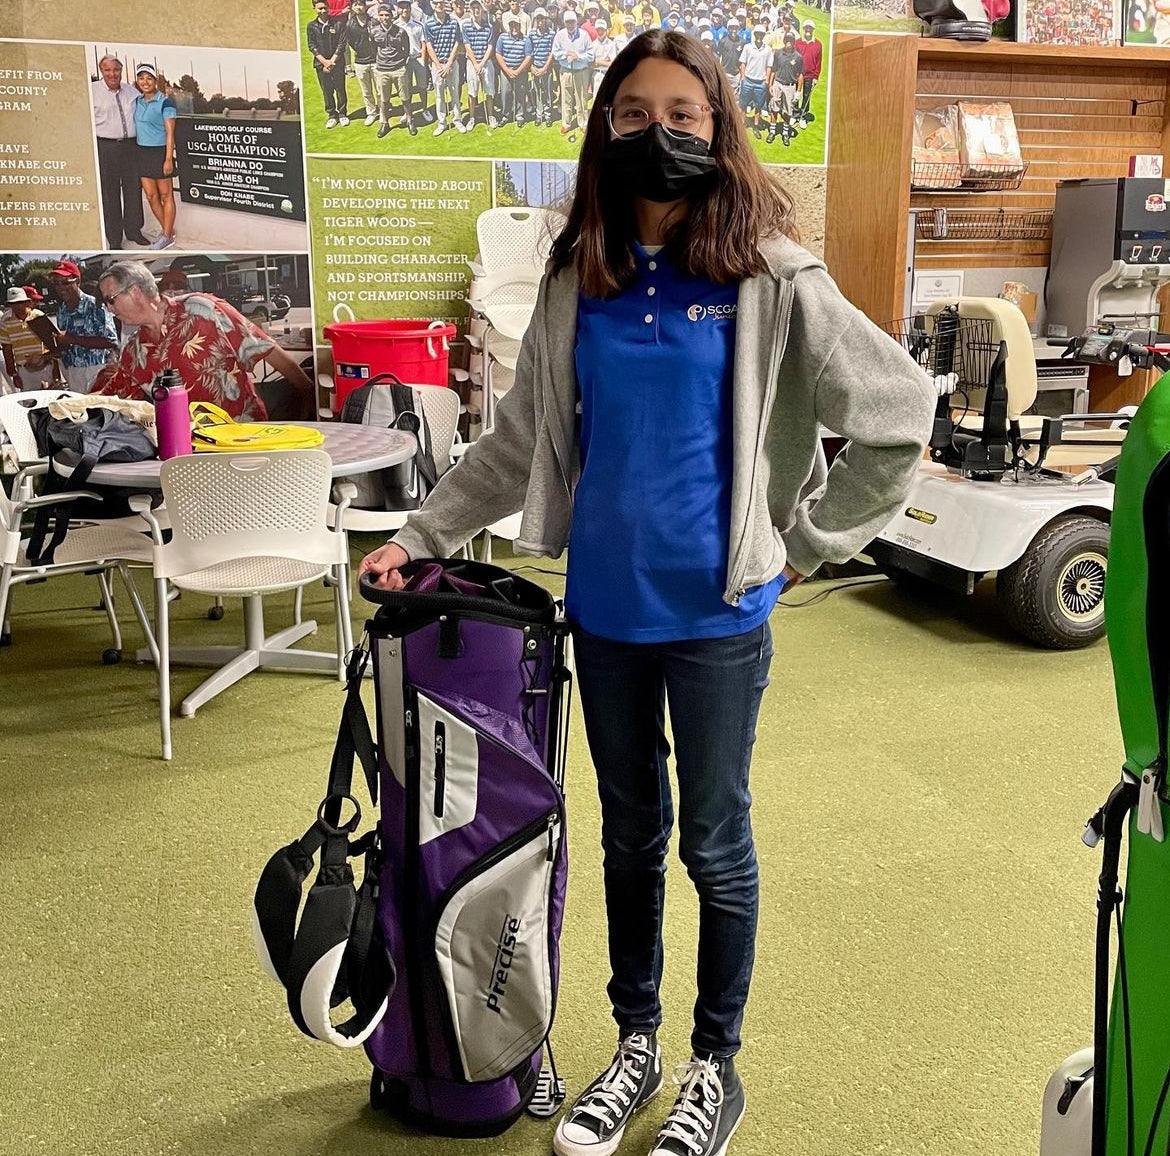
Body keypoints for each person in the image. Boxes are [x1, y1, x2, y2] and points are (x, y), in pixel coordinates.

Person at [358, 29, 934, 1156]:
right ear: (604, 127)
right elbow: (515, 439)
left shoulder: (771, 276)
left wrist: (810, 541)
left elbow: (898, 412)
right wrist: (420, 532)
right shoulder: (584, 275)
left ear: (719, 129)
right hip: (604, 613)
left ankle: (715, 1067)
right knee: (626, 838)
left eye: (684, 113)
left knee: (713, 844)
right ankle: (635, 1045)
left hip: (721, 618)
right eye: (634, 113)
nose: (658, 132)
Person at [92, 261, 316, 421]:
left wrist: (309, 396)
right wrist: (62, 402)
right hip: (187, 455)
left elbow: (266, 349)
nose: (109, 309)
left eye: (111, 300)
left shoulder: (202, 309)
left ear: (135, 292)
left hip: (243, 440)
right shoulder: (133, 350)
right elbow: (108, 397)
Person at [91, 56, 149, 250]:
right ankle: (114, 239)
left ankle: (134, 231)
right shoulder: (92, 92)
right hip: (106, 147)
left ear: (121, 71)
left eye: (116, 70)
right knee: (110, 193)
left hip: (131, 147)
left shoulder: (132, 92)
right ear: (101, 71)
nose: (112, 74)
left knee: (133, 190)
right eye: (107, 70)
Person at [50, 261, 118, 391]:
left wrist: (72, 339)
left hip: (97, 368)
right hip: (72, 370)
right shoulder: (61, 311)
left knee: (98, 410)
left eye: (65, 282)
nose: (60, 287)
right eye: (56, 284)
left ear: (78, 282)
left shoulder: (95, 306)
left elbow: (111, 341)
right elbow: (66, 344)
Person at [131, 64, 178, 251]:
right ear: (137, 81)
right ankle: (168, 232)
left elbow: (170, 133)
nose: (145, 82)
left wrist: (168, 158)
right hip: (142, 153)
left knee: (166, 196)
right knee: (151, 196)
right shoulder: (137, 101)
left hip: (160, 152)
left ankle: (166, 236)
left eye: (149, 78)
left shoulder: (165, 102)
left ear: (155, 81)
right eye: (141, 78)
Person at [370, 2, 415, 135]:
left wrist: (400, 61)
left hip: (398, 68)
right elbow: (374, 48)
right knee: (384, 99)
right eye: (382, 15)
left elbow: (405, 49)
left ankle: (410, 120)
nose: (384, 18)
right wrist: (381, 61)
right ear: (378, 16)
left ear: (392, 15)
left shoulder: (400, 31)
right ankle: (384, 123)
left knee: (405, 97)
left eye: (387, 15)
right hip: (382, 69)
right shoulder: (373, 31)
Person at [425, 0, 469, 135]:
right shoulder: (428, 23)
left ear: (445, 4)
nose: (439, 5)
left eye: (441, 2)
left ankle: (457, 120)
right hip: (437, 65)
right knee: (439, 95)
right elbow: (429, 46)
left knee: (454, 93)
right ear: (432, 4)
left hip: (452, 63)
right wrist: (439, 65)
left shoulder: (453, 22)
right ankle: (442, 123)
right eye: (436, 2)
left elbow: (457, 42)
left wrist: (449, 63)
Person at [1, 287, 56, 390]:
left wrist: (55, 371)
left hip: (45, 367)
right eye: (13, 303)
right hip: (24, 370)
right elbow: (7, 348)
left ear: (27, 302)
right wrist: (13, 373)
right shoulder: (5, 321)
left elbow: (52, 344)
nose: (17, 306)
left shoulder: (38, 316)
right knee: (29, 403)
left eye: (20, 302)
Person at [308, 0, 351, 129]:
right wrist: (325, 62)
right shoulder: (311, 26)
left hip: (337, 62)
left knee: (340, 89)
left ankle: (343, 114)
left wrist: (332, 60)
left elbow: (342, 44)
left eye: (325, 8)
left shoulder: (338, 24)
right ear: (314, 8)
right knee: (327, 91)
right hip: (321, 64)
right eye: (320, 8)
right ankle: (332, 115)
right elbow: (312, 45)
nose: (323, 11)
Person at [554, 9, 594, 133]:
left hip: (581, 70)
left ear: (576, 22)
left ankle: (583, 122)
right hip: (565, 70)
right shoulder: (560, 35)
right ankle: (566, 123)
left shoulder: (584, 35)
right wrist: (566, 54)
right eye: (567, 22)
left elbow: (591, 55)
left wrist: (578, 56)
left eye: (572, 22)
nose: (570, 24)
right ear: (564, 23)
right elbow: (555, 53)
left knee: (582, 98)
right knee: (566, 98)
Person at [464, 0, 500, 128]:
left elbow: (490, 47)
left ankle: (490, 116)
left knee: (489, 91)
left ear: (481, 8)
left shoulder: (488, 26)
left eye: (478, 7)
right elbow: (467, 47)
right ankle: (472, 118)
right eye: (473, 7)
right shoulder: (466, 26)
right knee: (472, 92)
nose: (476, 10)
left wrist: (482, 63)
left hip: (486, 62)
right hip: (472, 63)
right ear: (470, 10)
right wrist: (476, 64)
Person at [346, 0, 381, 125]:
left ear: (365, 6)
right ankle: (371, 113)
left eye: (361, 4)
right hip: (360, 62)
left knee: (380, 89)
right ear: (352, 7)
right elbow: (350, 42)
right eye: (356, 5)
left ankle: (383, 111)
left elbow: (379, 38)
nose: (359, 7)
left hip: (376, 61)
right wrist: (360, 49)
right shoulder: (349, 24)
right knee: (366, 91)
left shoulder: (374, 21)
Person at [397, 0, 432, 125]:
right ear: (397, 9)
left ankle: (424, 109)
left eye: (406, 7)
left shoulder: (418, 24)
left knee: (422, 87)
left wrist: (423, 59)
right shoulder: (395, 25)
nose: (404, 10)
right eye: (401, 8)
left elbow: (423, 44)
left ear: (410, 9)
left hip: (418, 58)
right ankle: (407, 112)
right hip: (403, 61)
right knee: (406, 88)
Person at [764, 27, 801, 144]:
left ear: (794, 41)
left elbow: (800, 75)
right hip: (777, 84)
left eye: (791, 40)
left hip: (790, 86)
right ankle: (772, 131)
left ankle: (785, 133)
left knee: (787, 111)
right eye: (787, 39)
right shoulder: (778, 53)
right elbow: (774, 70)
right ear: (784, 40)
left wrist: (798, 92)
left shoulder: (798, 57)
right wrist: (770, 84)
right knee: (774, 108)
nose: (789, 42)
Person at [496, 14, 533, 123]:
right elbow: (498, 54)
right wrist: (507, 70)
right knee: (506, 93)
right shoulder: (502, 37)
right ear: (509, 26)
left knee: (520, 93)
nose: (514, 27)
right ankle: (506, 115)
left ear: (519, 25)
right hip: (505, 70)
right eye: (512, 25)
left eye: (516, 25)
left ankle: (519, 115)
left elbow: (528, 56)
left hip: (520, 70)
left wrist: (518, 70)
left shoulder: (526, 39)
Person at [527, 7, 558, 125]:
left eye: (542, 18)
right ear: (535, 19)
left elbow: (552, 52)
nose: (540, 20)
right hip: (535, 67)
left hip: (547, 68)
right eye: (538, 18)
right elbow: (529, 52)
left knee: (548, 92)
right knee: (537, 91)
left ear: (546, 19)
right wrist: (531, 67)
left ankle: (548, 114)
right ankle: (539, 114)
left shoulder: (551, 33)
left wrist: (545, 67)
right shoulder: (531, 34)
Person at [738, 23, 770, 136]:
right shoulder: (747, 47)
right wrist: (742, 77)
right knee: (743, 104)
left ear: (764, 35)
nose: (759, 36)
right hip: (748, 80)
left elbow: (769, 66)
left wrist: (766, 81)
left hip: (760, 82)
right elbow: (743, 63)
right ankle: (742, 124)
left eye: (761, 34)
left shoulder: (768, 50)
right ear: (754, 34)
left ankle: (756, 125)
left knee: (758, 106)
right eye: (757, 34)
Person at [793, 17, 821, 123]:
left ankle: (803, 116)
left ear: (813, 29)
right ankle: (795, 114)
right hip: (798, 74)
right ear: (804, 29)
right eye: (806, 28)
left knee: (806, 96)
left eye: (810, 28)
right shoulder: (798, 42)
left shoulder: (818, 44)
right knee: (796, 94)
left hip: (810, 75)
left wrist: (816, 77)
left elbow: (818, 62)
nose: (808, 29)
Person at [591, 17, 617, 96]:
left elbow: (613, 64)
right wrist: (605, 61)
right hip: (597, 74)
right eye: (598, 29)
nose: (600, 32)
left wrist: (599, 61)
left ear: (606, 30)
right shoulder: (593, 44)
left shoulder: (611, 44)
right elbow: (592, 64)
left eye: (602, 29)